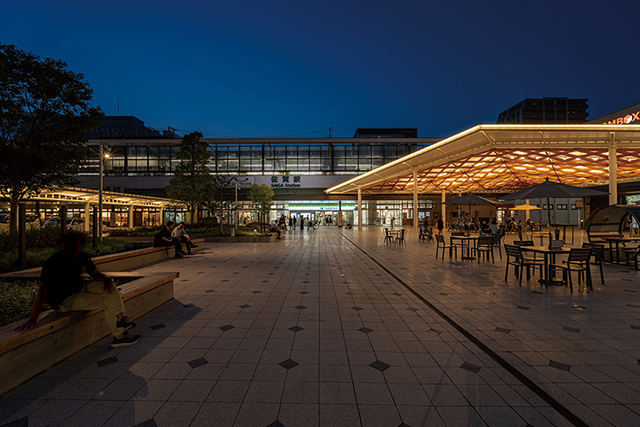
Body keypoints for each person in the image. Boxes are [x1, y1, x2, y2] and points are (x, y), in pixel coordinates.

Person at [15, 232, 140, 348]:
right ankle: (120, 336)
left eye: (74, 248)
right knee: (109, 302)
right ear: (61, 247)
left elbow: (95, 274)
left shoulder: (83, 258)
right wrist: (33, 318)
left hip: (80, 288)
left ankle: (121, 320)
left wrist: (107, 280)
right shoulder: (53, 263)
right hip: (64, 300)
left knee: (110, 287)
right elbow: (42, 291)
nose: (69, 251)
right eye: (66, 247)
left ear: (82, 247)